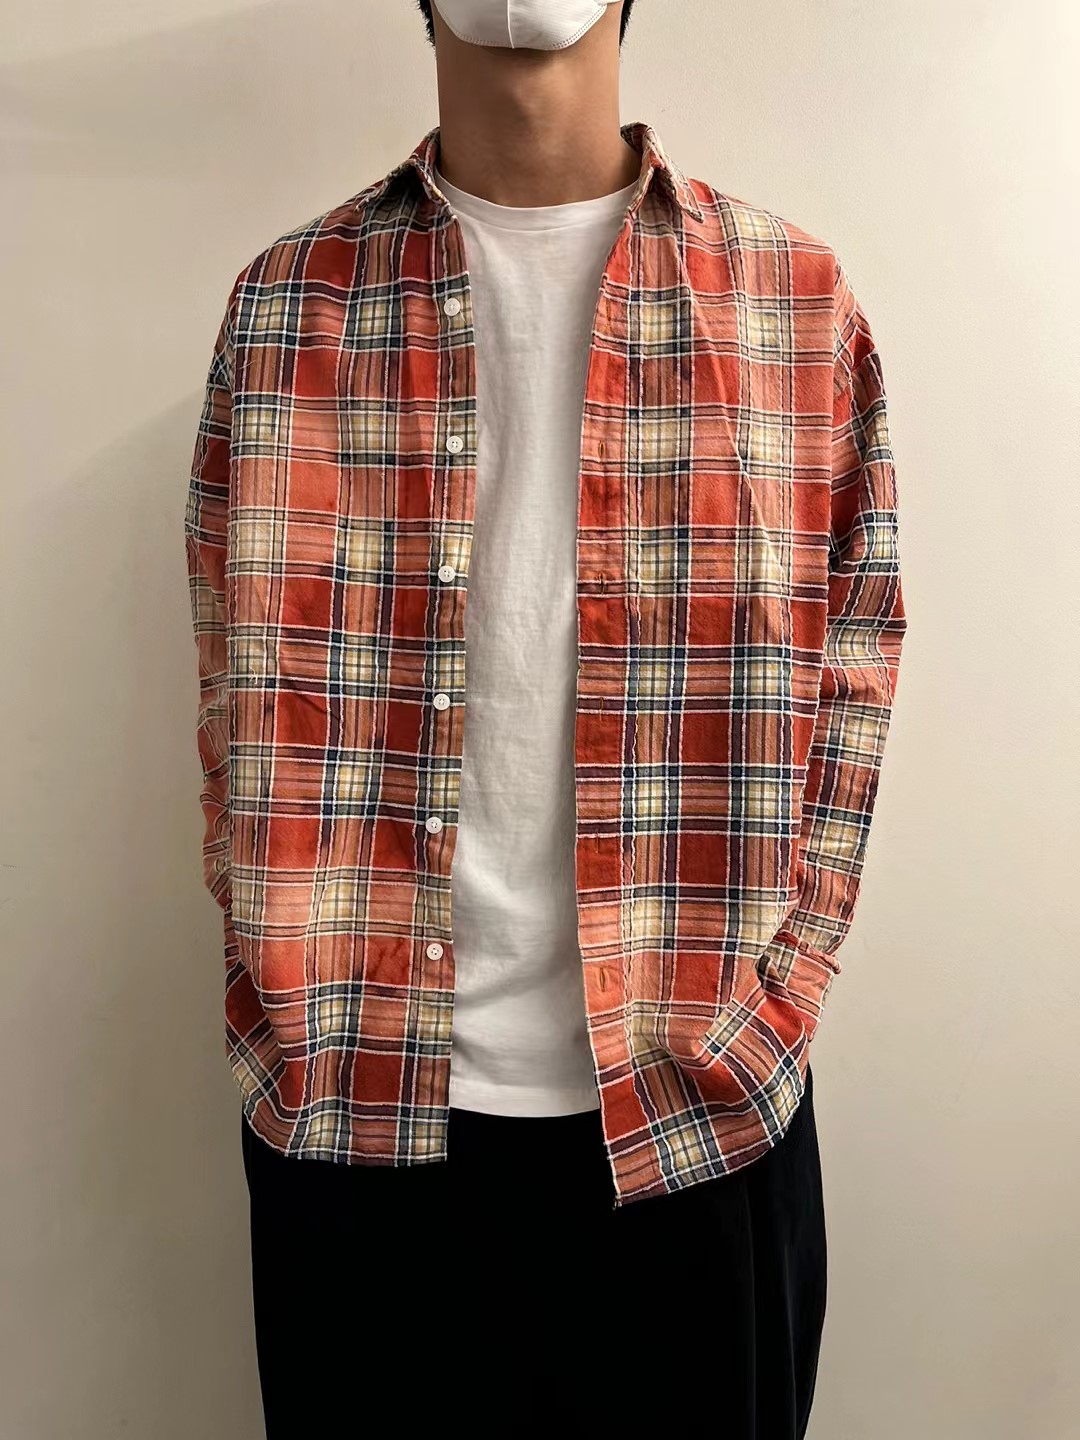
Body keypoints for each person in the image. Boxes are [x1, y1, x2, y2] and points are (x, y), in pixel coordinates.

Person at [183, 2, 906, 1434]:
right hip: (354, 1117)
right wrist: (275, 974)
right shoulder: (284, 305)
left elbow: (857, 677)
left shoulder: (795, 303)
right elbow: (229, 685)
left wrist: (779, 999)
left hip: (701, 1124)